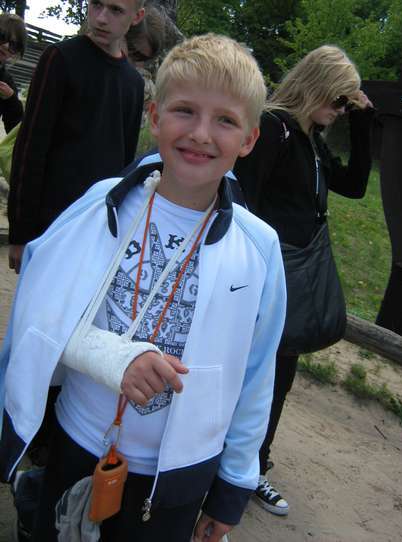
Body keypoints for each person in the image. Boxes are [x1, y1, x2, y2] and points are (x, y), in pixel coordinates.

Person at [0, 33, 286, 542]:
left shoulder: (258, 249)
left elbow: (256, 376)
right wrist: (111, 358)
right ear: (154, 117)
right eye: (184, 111)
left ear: (249, 140)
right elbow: (38, 315)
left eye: (225, 120)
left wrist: (232, 487)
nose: (200, 133)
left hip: (175, 479)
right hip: (78, 443)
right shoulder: (99, 205)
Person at [234, 44, 374, 516]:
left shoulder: (311, 140)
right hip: (262, 278)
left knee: (280, 376)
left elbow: (355, 186)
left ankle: (253, 467)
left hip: (292, 284)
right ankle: (223, 466)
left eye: (345, 104)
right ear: (317, 86)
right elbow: (244, 201)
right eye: (338, 100)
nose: (339, 110)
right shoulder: (274, 128)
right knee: (247, 375)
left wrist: (362, 120)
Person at [7, 0, 146, 274]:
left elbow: (124, 167)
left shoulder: (133, 83)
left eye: (115, 10)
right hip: (48, 227)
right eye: (96, 5)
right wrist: (20, 233)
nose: (101, 18)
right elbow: (30, 147)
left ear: (136, 16)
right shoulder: (60, 58)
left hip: (96, 230)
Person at [0, 13, 26, 133]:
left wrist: (11, 99)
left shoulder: (6, 82)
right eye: (2, 37)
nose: (5, 46)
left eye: (14, 45)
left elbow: (14, 130)